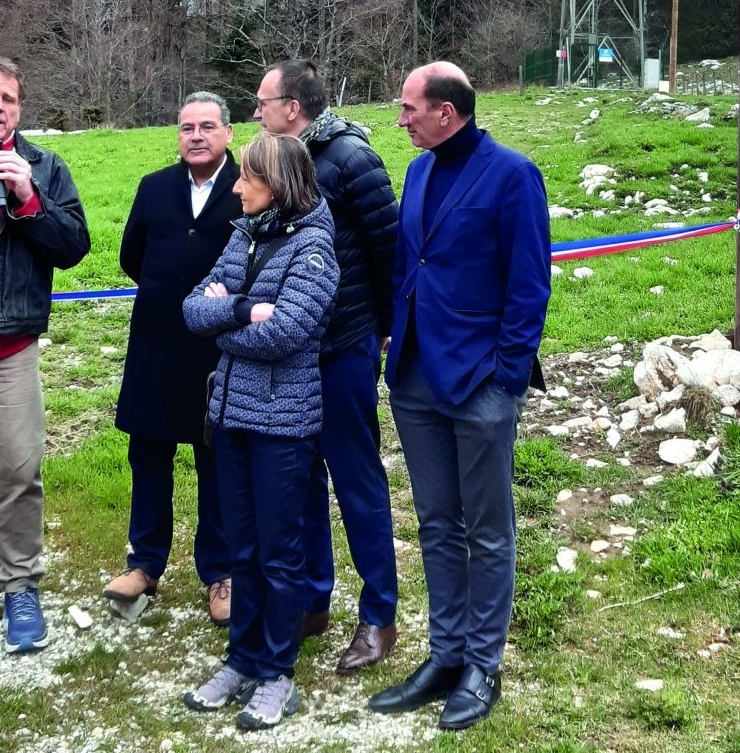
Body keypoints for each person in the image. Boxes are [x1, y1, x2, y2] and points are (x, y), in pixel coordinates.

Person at [369, 61, 551, 732]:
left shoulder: (511, 175)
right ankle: (445, 656)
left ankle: (483, 663)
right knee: (438, 522)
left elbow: (529, 284)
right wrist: (394, 337)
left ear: (446, 111)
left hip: (479, 383)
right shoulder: (416, 173)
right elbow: (404, 263)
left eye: (410, 107)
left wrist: (505, 378)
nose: (401, 117)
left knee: (487, 529)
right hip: (415, 376)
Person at [182, 133, 340, 732]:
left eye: (247, 178)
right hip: (231, 416)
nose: (237, 186)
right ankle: (241, 660)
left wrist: (226, 317)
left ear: (277, 185)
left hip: (282, 424)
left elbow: (288, 333)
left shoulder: (315, 249)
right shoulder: (244, 233)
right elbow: (195, 309)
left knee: (279, 554)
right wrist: (244, 310)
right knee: (240, 549)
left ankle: (277, 672)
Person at [253, 59, 399, 672]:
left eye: (263, 101)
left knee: (355, 476)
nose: (255, 111)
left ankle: (379, 615)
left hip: (344, 344)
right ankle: (314, 600)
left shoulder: (349, 159)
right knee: (301, 476)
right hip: (292, 350)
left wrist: (387, 333)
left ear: (293, 107)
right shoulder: (273, 161)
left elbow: (390, 250)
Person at [0, 55, 90, 651]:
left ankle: (20, 589)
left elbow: (73, 247)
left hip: (7, 346)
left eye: (9, 99)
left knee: (17, 471)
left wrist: (27, 197)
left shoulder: (43, 165)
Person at [105, 93, 238, 626]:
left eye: (208, 126)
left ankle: (221, 572)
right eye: (187, 127)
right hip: (157, 345)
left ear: (229, 133)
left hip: (219, 350)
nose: (197, 136)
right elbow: (131, 255)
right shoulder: (153, 187)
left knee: (216, 461)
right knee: (150, 455)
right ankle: (144, 564)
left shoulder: (248, 188)